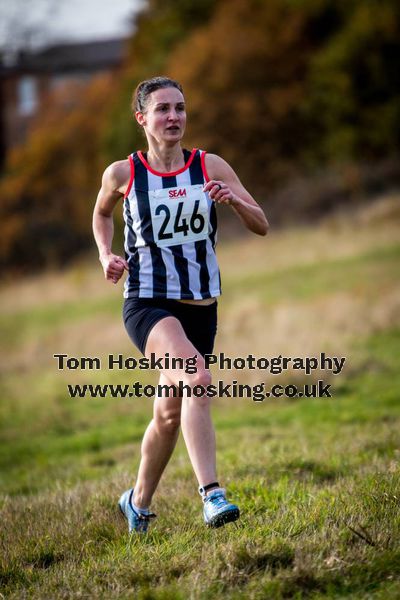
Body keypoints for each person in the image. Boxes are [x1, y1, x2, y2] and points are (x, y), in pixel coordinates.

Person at [92, 76, 269, 533]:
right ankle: (212, 495)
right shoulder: (123, 173)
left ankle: (137, 501)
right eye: (163, 109)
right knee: (198, 377)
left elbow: (262, 224)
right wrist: (106, 254)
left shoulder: (209, 166)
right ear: (142, 119)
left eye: (180, 108)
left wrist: (231, 201)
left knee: (170, 413)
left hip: (201, 306)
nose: (174, 117)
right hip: (147, 303)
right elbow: (101, 213)